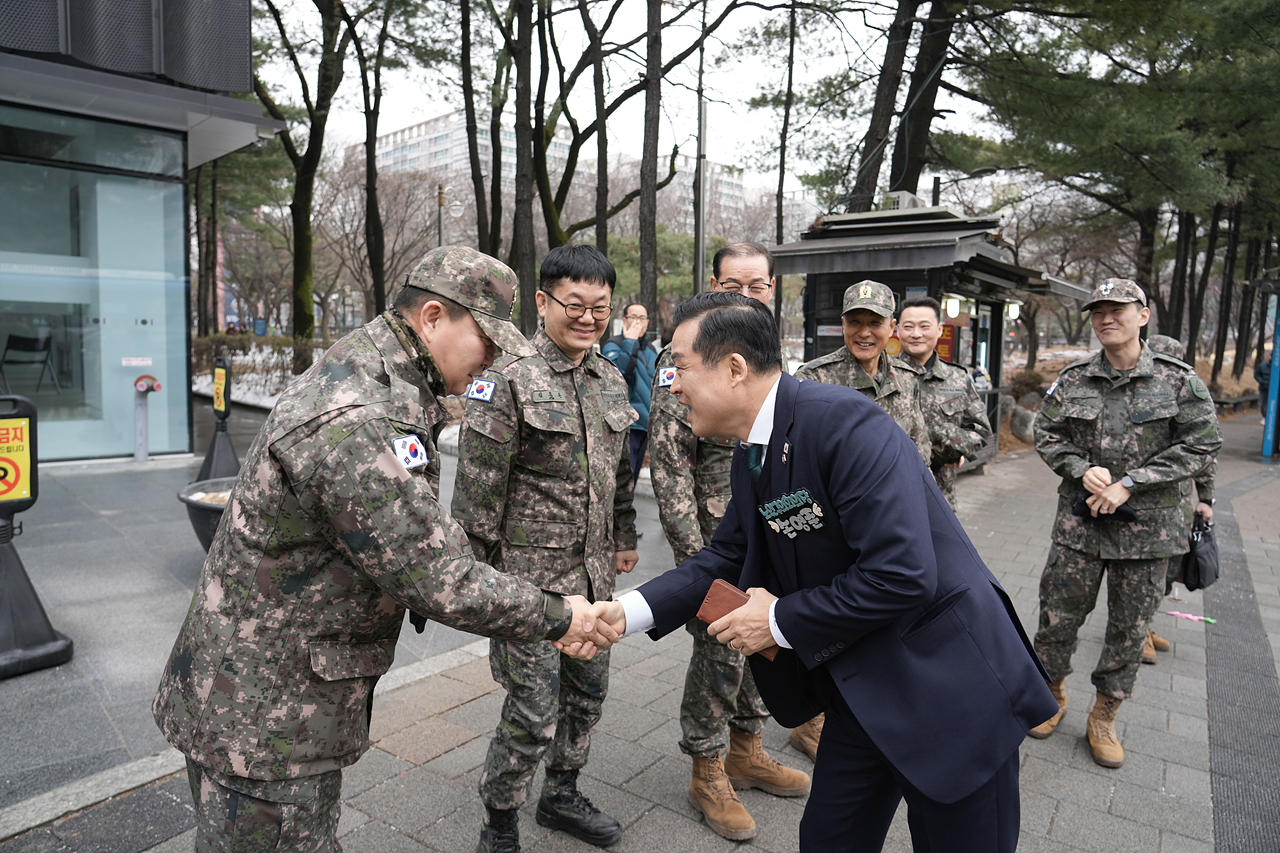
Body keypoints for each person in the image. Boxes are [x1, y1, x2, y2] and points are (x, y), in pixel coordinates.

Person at [152, 246, 618, 852]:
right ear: (433, 318)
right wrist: (560, 615)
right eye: (486, 341)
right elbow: (434, 575)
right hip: (263, 715)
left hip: (269, 698)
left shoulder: (380, 377)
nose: (493, 359)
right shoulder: (359, 416)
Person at [595, 291, 1057, 853]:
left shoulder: (844, 423)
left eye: (681, 367)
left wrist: (778, 620)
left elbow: (901, 574)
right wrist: (623, 613)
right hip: (861, 687)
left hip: (948, 688)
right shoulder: (753, 448)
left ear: (734, 368)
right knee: (828, 839)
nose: (671, 385)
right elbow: (725, 557)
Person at [452, 244, 639, 853]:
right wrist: (472, 586)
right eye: (574, 305)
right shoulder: (506, 379)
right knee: (534, 709)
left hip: (594, 582)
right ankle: (500, 820)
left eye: (600, 308)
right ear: (542, 301)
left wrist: (625, 534)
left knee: (586, 698)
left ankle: (561, 794)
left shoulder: (610, 379)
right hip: (526, 588)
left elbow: (618, 472)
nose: (588, 319)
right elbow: (477, 494)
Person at [648, 242, 810, 842]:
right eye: (733, 286)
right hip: (716, 542)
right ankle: (708, 768)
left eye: (757, 286)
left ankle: (748, 750)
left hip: (774, 536)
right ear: (714, 286)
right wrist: (698, 566)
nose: (746, 295)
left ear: (772, 289)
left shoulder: (772, 355)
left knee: (767, 646)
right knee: (720, 656)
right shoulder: (686, 359)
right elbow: (670, 470)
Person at [1028, 280, 1221, 768]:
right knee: (1056, 619)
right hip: (1081, 527)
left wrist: (1132, 482)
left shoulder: (1178, 381)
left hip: (1147, 534)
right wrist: (1079, 468)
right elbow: (1046, 432)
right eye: (1099, 311)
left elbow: (1203, 443)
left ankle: (1104, 716)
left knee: (1129, 630)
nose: (1107, 318)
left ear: (1143, 316)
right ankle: (1050, 695)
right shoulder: (1074, 379)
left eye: (1118, 309)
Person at [795, 279, 931, 465]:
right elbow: (799, 455)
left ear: (892, 328)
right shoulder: (813, 379)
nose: (865, 333)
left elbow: (920, 452)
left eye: (875, 323)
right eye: (855, 322)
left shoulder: (907, 378)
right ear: (843, 324)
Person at [1142, 335, 1217, 663]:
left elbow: (1204, 451)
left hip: (1177, 503)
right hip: (1139, 500)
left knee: (1168, 570)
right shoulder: (1135, 393)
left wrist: (1206, 498)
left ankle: (1144, 626)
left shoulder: (1185, 392)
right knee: (1143, 575)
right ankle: (1137, 635)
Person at [894, 296, 993, 511]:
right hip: (891, 493)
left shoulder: (957, 378)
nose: (916, 334)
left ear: (939, 330)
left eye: (924, 326)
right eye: (908, 327)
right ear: (897, 329)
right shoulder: (883, 375)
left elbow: (981, 432)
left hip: (940, 496)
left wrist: (946, 447)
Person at [603, 303, 658, 487]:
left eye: (642, 318)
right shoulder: (615, 344)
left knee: (631, 482)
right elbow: (617, 376)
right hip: (626, 425)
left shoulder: (651, 350)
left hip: (644, 425)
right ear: (624, 320)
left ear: (648, 322)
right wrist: (630, 342)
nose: (638, 322)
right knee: (621, 482)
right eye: (633, 317)